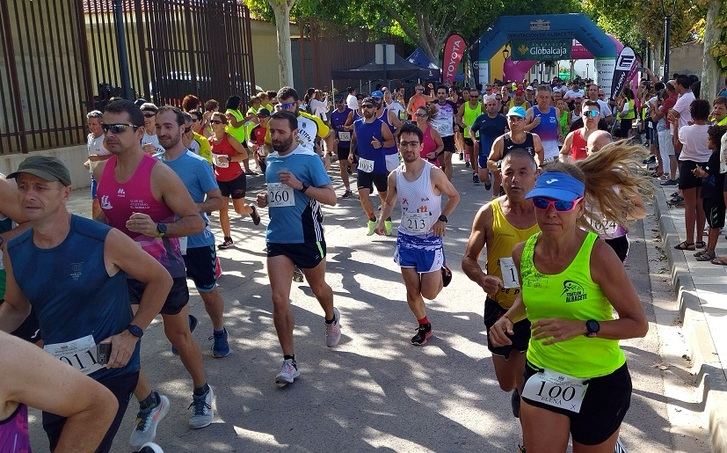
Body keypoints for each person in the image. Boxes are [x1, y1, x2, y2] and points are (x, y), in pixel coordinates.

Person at [2, 155, 173, 452]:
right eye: (23, 186)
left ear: (65, 192)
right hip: (58, 369)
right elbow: (17, 308)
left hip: (111, 365)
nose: (29, 195)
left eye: (41, 187)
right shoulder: (15, 249)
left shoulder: (102, 239)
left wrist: (132, 333)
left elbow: (161, 280)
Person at [489, 148, 650, 453]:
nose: (551, 212)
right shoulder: (522, 252)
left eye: (562, 203)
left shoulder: (599, 255)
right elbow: (529, 298)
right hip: (544, 374)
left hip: (599, 382)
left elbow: (638, 325)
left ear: (579, 207)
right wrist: (507, 317)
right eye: (542, 202)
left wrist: (583, 326)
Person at [94, 100, 215, 447]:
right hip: (119, 271)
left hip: (163, 269)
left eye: (119, 128)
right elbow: (102, 220)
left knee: (179, 337)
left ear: (138, 131)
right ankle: (149, 401)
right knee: (115, 343)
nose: (110, 135)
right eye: (106, 128)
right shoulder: (100, 172)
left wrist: (158, 227)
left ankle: (202, 390)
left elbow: (194, 222)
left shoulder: (159, 173)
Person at [256, 110, 341, 384]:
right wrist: (265, 199)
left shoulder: (308, 159)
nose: (276, 136)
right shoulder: (269, 159)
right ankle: (289, 361)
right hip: (278, 238)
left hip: (306, 236)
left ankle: (330, 316)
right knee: (279, 299)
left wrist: (300, 185)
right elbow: (278, 195)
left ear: (294, 133)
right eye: (273, 131)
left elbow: (331, 197)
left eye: (281, 132)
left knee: (319, 289)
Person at [462, 149, 540, 422]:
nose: (515, 179)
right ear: (501, 177)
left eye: (523, 172)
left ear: (535, 176)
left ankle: (528, 428)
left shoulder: (548, 214)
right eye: (509, 173)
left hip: (535, 312)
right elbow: (469, 260)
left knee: (524, 381)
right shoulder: (488, 213)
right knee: (506, 382)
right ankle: (519, 392)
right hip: (499, 309)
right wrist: (482, 279)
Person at [375, 123, 460, 345]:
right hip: (406, 240)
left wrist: (442, 218)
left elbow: (454, 196)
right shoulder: (394, 176)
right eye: (405, 144)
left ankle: (442, 269)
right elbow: (390, 201)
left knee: (430, 293)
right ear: (399, 147)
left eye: (414, 144)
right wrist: (381, 221)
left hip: (430, 240)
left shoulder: (433, 173)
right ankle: (424, 325)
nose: (409, 149)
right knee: (412, 291)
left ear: (421, 146)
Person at [158, 107, 231, 357]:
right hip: (165, 241)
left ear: (181, 129)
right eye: (158, 127)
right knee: (168, 294)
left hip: (197, 241)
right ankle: (183, 326)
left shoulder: (198, 164)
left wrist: (191, 209)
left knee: (208, 292)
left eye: (168, 127)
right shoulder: (152, 165)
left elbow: (218, 201)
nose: (162, 132)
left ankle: (219, 330)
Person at [0, 331, 119, 452]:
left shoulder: (6, 355)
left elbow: (98, 404)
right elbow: (17, 311)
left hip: (104, 363)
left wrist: (133, 332)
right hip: (57, 369)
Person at [209, 111, 261, 250]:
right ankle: (228, 239)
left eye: (217, 122)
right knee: (222, 210)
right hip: (220, 179)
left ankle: (251, 210)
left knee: (239, 209)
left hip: (236, 178)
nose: (213, 124)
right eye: (212, 122)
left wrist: (229, 159)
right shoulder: (210, 140)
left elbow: (244, 154)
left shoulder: (229, 139)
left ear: (224, 125)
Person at [350, 96, 396, 236]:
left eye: (369, 106)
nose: (366, 109)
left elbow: (391, 142)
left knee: (384, 197)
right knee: (363, 196)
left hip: (379, 166)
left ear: (375, 109)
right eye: (363, 106)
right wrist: (351, 153)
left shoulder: (381, 125)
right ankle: (372, 220)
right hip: (363, 166)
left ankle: (386, 219)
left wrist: (380, 144)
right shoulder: (357, 124)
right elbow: (354, 140)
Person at [673, 100, 711, 251]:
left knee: (689, 206)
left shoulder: (685, 130)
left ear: (692, 113)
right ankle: (700, 240)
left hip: (688, 165)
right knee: (701, 205)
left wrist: (676, 128)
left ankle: (689, 241)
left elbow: (677, 145)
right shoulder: (712, 129)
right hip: (706, 167)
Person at [488, 107, 545, 195]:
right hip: (509, 187)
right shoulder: (500, 141)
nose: (515, 123)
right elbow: (489, 163)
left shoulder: (534, 138)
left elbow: (540, 151)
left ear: (525, 121)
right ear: (507, 120)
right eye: (512, 119)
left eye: (519, 119)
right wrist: (500, 164)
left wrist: (538, 165)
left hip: (528, 186)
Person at [691, 126, 727, 262]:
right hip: (710, 193)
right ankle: (708, 249)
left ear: (716, 141)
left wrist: (698, 171)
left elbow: (707, 173)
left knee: (714, 224)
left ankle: (711, 250)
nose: (707, 141)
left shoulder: (716, 155)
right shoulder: (716, 154)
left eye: (709, 139)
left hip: (715, 194)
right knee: (711, 222)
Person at [277, 86, 335, 168]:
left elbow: (329, 135)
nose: (286, 110)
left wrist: (327, 155)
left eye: (289, 106)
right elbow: (268, 144)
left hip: (308, 168)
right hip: (285, 169)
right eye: (283, 106)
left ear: (297, 103)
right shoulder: (275, 123)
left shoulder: (312, 121)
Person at [471, 95, 508, 192]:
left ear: (497, 106)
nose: (492, 106)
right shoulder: (481, 118)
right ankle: (488, 180)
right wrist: (474, 140)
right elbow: (472, 130)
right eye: (489, 105)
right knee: (482, 178)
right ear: (486, 107)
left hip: (498, 154)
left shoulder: (502, 119)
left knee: (498, 177)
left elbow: (509, 132)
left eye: (494, 104)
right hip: (484, 152)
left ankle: (495, 196)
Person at [86, 110, 112, 219]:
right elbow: (92, 156)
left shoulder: (106, 138)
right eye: (89, 124)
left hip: (108, 177)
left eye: (94, 124)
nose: (91, 127)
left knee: (106, 205)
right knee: (95, 203)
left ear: (101, 123)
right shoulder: (90, 137)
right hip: (94, 177)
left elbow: (116, 156)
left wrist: (99, 158)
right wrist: (88, 163)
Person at [525, 85, 560, 162]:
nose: (544, 100)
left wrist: (560, 135)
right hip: (536, 153)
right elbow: (520, 130)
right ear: (536, 98)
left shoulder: (556, 111)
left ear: (550, 98)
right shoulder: (531, 111)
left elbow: (558, 128)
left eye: (547, 97)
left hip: (553, 152)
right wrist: (532, 125)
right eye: (541, 97)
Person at [431, 85, 459, 180]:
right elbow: (428, 118)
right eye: (439, 93)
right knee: (441, 163)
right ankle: (443, 180)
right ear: (436, 94)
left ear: (446, 94)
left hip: (449, 135)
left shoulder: (451, 104)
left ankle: (448, 183)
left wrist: (456, 125)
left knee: (448, 160)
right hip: (437, 137)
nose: (441, 95)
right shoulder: (432, 105)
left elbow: (456, 116)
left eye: (443, 93)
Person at [457, 87, 484, 183]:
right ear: (469, 96)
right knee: (472, 155)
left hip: (479, 134)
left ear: (478, 97)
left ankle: (481, 170)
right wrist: (461, 124)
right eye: (472, 96)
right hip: (468, 134)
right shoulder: (464, 106)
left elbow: (487, 115)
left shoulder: (481, 106)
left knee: (481, 154)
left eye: (476, 96)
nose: (474, 98)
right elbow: (458, 117)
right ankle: (475, 172)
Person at [330, 96, 355, 198]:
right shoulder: (333, 114)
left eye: (340, 101)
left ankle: (351, 167)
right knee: (342, 166)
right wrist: (335, 138)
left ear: (344, 101)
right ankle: (348, 189)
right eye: (336, 102)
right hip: (341, 144)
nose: (339, 104)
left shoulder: (351, 112)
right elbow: (333, 128)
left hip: (353, 144)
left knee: (353, 165)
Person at [248, 108, 272, 174]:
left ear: (269, 117)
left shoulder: (274, 127)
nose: (261, 119)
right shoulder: (255, 129)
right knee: (266, 176)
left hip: (273, 157)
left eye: (263, 116)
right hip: (262, 158)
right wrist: (252, 145)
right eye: (259, 117)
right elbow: (250, 141)